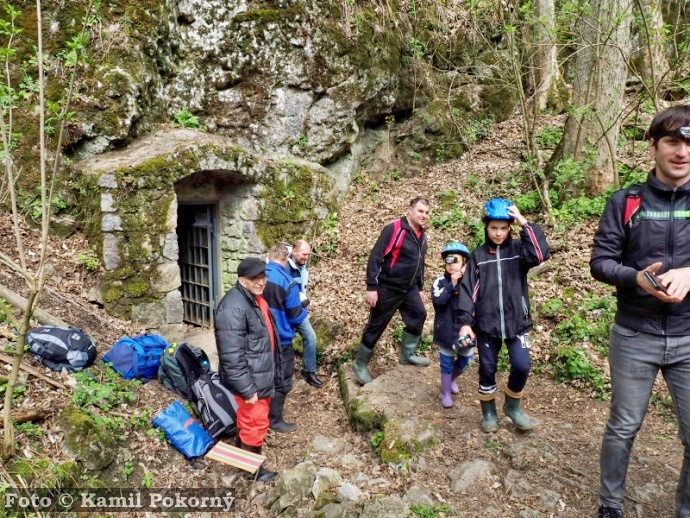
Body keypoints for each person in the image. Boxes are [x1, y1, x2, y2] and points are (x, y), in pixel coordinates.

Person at [590, 105, 690, 518]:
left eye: (689, 142)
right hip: (634, 336)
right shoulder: (626, 201)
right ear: (654, 145)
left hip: (688, 338)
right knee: (624, 427)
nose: (682, 151)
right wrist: (636, 279)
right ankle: (610, 504)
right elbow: (601, 262)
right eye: (672, 141)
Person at [459, 198, 550, 433]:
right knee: (487, 369)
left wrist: (524, 222)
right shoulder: (478, 255)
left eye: (503, 228)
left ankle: (513, 406)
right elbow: (469, 291)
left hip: (517, 322)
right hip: (487, 325)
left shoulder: (519, 249)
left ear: (509, 228)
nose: (498, 233)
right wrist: (466, 323)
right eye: (493, 228)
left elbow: (540, 254)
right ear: (486, 228)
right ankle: (488, 412)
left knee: (522, 365)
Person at [215, 257, 281, 482]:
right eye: (255, 278)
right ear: (242, 280)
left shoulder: (254, 299)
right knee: (254, 423)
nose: (261, 282)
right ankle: (252, 472)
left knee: (251, 421)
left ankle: (242, 462)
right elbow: (231, 356)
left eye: (263, 277)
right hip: (251, 380)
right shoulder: (233, 308)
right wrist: (247, 388)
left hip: (258, 373)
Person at [352, 197, 431, 385]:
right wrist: (371, 287)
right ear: (410, 210)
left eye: (427, 213)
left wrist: (419, 287)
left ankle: (407, 354)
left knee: (419, 314)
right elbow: (376, 257)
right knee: (376, 326)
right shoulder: (394, 229)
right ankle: (360, 364)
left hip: (409, 288)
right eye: (420, 211)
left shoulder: (422, 234)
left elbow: (419, 263)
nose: (424, 216)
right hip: (387, 287)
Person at [263, 243, 308, 433]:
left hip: (259, 339)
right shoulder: (287, 281)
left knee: (261, 375)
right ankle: (274, 419)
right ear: (285, 259)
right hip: (281, 340)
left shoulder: (256, 277)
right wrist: (304, 305)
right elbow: (296, 316)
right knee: (282, 379)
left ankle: (261, 412)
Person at [431, 241, 473, 408]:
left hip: (465, 330)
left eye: (455, 260)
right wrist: (452, 285)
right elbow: (438, 301)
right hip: (446, 329)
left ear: (464, 262)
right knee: (446, 362)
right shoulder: (440, 282)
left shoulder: (471, 282)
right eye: (448, 260)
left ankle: (450, 381)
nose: (451, 265)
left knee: (466, 360)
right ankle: (446, 391)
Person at [286, 240, 323, 388]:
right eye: (304, 254)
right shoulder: (285, 268)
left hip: (299, 309)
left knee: (310, 336)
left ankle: (309, 371)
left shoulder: (301, 264)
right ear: (294, 252)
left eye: (308, 254)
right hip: (287, 311)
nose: (307, 257)